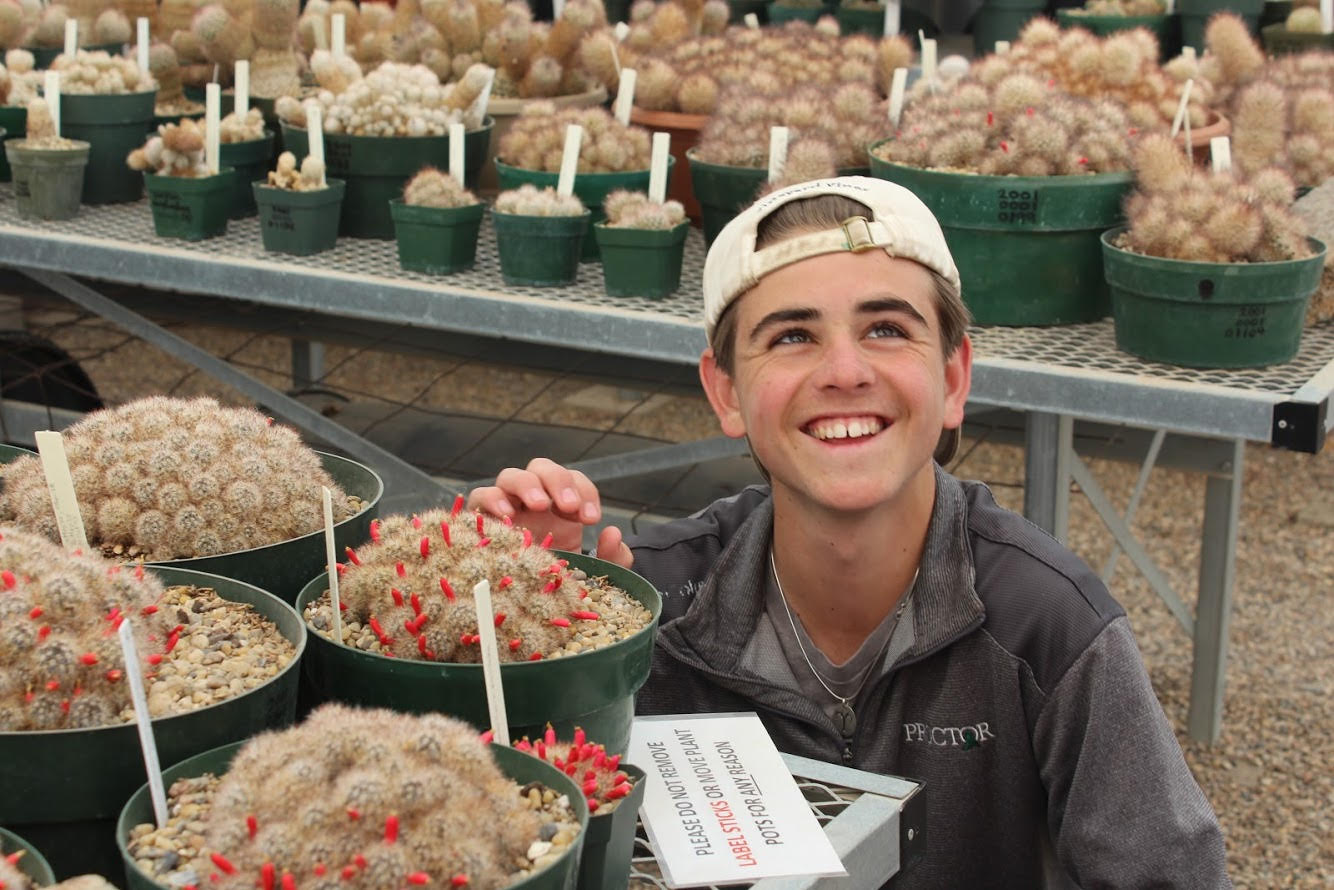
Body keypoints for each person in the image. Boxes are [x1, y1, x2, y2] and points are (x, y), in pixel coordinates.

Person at [468, 176, 1231, 888]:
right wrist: (525, 637)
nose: (843, 370)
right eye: (792, 336)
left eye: (888, 328)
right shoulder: (649, 606)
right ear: (726, 391)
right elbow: (476, 822)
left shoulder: (1045, 626)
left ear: (955, 378)